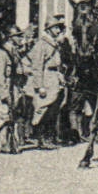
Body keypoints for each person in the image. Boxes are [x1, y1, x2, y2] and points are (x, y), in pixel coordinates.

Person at [27, 15, 69, 145]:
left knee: (54, 109)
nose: (58, 30)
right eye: (55, 27)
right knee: (43, 108)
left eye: (58, 28)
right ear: (49, 29)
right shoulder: (41, 44)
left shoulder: (55, 43)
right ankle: (41, 137)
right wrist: (40, 86)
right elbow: (37, 66)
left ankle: (49, 137)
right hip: (46, 78)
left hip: (55, 77)